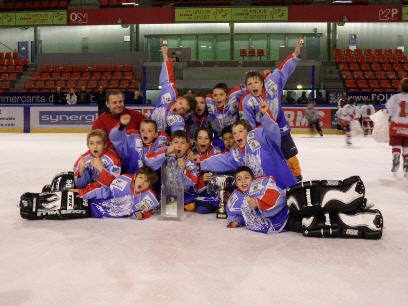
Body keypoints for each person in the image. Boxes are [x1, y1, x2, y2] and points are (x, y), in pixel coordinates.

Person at [225, 166, 383, 239]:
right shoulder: (236, 198)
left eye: (246, 177)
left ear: (252, 178)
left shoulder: (260, 183)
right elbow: (237, 214)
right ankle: (364, 220)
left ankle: (351, 199)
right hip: (285, 223)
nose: (243, 181)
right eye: (239, 179)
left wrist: (258, 204)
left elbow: (277, 195)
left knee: (314, 200)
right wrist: (235, 222)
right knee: (314, 224)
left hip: (289, 207)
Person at [239, 37, 303, 181]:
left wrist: (295, 54)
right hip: (265, 134)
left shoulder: (272, 82)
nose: (253, 86)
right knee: (273, 160)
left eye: (256, 82)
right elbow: (248, 124)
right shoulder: (247, 101)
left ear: (262, 82)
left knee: (291, 158)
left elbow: (283, 69)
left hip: (280, 127)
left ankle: (297, 179)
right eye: (249, 84)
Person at [201, 102, 296, 189]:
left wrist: (266, 114)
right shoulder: (236, 155)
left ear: (248, 131)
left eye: (240, 131)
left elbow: (272, 132)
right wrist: (200, 164)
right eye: (234, 133)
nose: (237, 135)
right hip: (264, 191)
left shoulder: (258, 135)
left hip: (283, 181)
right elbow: (220, 161)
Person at [74, 166, 159, 220]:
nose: (142, 182)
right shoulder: (123, 180)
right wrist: (83, 192)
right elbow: (103, 190)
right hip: (95, 204)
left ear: (150, 185)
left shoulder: (150, 197)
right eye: (141, 177)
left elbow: (150, 209)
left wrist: (142, 214)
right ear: (135, 177)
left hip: (112, 218)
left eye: (147, 181)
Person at [149, 46, 196, 135]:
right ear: (178, 99)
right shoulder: (170, 94)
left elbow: (179, 136)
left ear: (185, 113)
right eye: (180, 103)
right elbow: (168, 76)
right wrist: (164, 54)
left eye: (183, 109)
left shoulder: (176, 119)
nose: (179, 107)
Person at [148, 130, 198, 211]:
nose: (179, 145)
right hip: (164, 192)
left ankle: (176, 204)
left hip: (183, 194)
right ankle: (169, 204)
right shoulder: (165, 157)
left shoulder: (190, 162)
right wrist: (166, 152)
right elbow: (149, 163)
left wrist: (184, 170)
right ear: (171, 144)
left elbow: (194, 182)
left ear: (187, 146)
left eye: (182, 143)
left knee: (191, 205)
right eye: (176, 142)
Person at [73, 129, 121, 196]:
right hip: (90, 188)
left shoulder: (114, 160)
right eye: (91, 143)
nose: (95, 146)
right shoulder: (83, 159)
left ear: (105, 145)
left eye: (98, 143)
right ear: (88, 145)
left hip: (104, 190)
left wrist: (101, 169)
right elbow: (79, 185)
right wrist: (81, 170)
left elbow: (114, 185)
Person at [206, 82, 245, 150]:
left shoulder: (233, 98)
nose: (218, 97)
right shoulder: (209, 103)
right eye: (215, 95)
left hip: (235, 137)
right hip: (219, 139)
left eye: (221, 95)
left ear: (227, 95)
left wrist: (265, 74)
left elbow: (250, 84)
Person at [191, 128, 221, 214]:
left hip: (214, 191)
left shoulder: (217, 153)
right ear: (196, 140)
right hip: (196, 191)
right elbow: (189, 179)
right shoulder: (191, 155)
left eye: (206, 138)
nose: (203, 141)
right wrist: (201, 180)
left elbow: (223, 176)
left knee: (201, 209)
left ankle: (218, 203)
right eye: (200, 138)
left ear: (210, 140)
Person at [385, 77, 408, 176]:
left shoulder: (395, 97)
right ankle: (406, 160)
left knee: (396, 144)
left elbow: (389, 110)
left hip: (396, 124)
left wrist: (389, 116)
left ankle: (396, 157)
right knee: (406, 145)